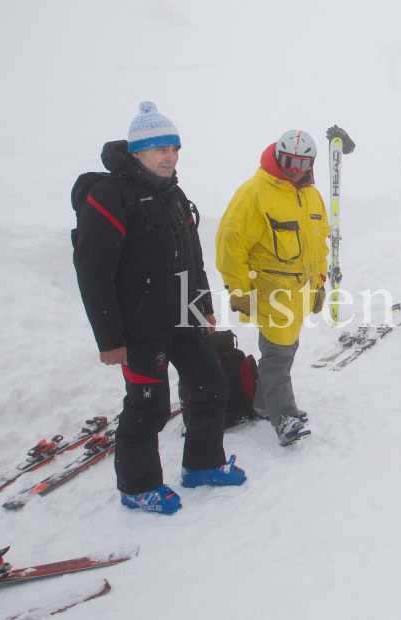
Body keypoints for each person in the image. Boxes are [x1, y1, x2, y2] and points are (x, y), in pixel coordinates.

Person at [73, 102, 244, 515]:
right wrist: (110, 339)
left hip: (183, 315)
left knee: (212, 386)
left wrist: (201, 306)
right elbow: (93, 271)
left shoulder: (173, 194)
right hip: (140, 326)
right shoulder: (108, 195)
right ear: (137, 152)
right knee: (148, 405)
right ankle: (138, 487)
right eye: (159, 149)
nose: (169, 157)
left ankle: (203, 466)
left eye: (174, 149)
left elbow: (191, 256)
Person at [216, 127, 351, 445]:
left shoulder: (311, 195)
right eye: (287, 160)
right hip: (270, 293)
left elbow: (320, 245)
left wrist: (319, 284)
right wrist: (237, 289)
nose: (293, 169)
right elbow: (230, 241)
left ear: (311, 164)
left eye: (301, 164)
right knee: (276, 355)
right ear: (277, 155)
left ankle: (263, 403)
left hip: (300, 295)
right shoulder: (255, 192)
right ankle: (284, 417)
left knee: (286, 350)